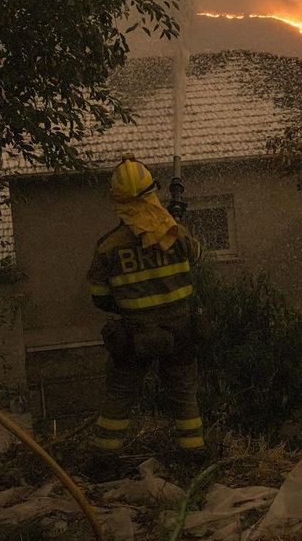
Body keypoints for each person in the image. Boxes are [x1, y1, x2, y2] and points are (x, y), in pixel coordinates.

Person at [86, 156, 206, 473]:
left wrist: (130, 304)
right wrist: (175, 223)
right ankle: (193, 459)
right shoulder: (175, 234)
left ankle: (103, 461)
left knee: (120, 397)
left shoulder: (108, 247)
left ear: (118, 201)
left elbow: (99, 297)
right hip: (180, 331)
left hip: (133, 334)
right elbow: (197, 257)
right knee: (183, 396)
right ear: (152, 190)